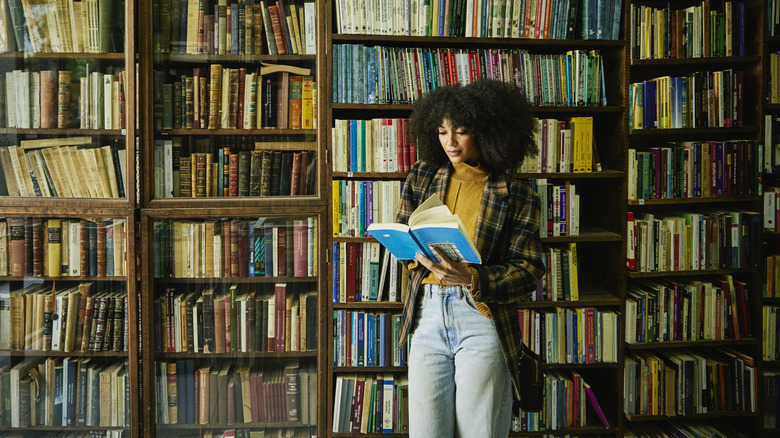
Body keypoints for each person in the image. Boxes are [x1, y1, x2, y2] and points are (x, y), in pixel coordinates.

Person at [396, 79, 545, 438]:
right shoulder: (422, 175)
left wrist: (472, 278)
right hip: (427, 315)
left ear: (489, 132)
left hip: (481, 317)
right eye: (443, 131)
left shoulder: (518, 193)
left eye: (461, 131)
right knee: (426, 432)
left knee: (479, 430)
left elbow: (528, 271)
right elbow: (403, 232)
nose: (450, 141)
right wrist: (413, 253)